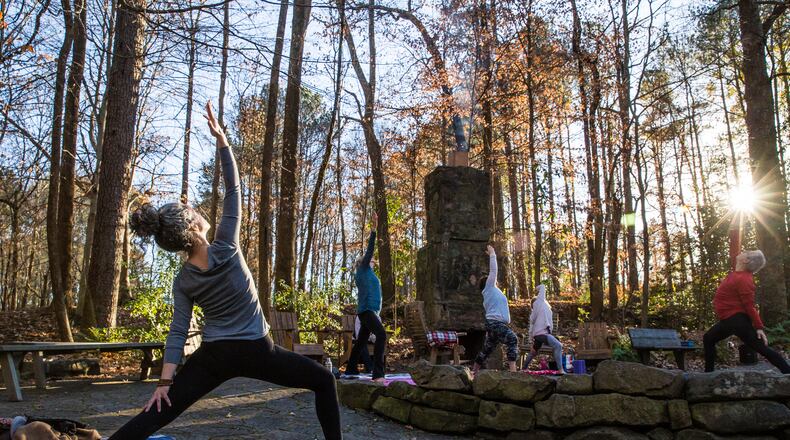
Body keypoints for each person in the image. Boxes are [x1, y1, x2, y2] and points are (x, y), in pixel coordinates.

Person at [110, 103, 342, 440]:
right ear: (192, 226)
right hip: (258, 351)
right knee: (324, 380)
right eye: (190, 209)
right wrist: (222, 141)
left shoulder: (183, 279)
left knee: (160, 410)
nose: (196, 209)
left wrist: (164, 382)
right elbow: (234, 190)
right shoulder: (227, 247)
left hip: (216, 355)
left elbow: (177, 333)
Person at [703, 228, 790, 374]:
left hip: (737, 320)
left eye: (746, 253)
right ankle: (708, 376)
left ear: (746, 260)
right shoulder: (737, 271)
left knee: (761, 348)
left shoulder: (745, 279)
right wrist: (734, 227)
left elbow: (750, 306)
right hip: (730, 320)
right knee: (708, 339)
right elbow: (734, 248)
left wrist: (759, 327)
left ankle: (787, 371)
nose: (742, 252)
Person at [345, 214, 387, 382]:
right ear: (364, 261)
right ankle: (378, 374)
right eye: (371, 260)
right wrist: (374, 230)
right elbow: (370, 250)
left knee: (361, 342)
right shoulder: (362, 269)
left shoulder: (368, 273)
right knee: (381, 335)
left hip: (370, 312)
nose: (373, 261)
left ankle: (350, 368)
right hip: (367, 311)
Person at [473, 245, 519, 374]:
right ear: (487, 282)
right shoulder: (489, 288)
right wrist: (492, 254)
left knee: (488, 348)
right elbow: (493, 271)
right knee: (512, 339)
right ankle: (513, 371)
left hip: (495, 323)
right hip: (495, 323)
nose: (492, 279)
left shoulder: (492, 292)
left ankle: (473, 371)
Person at [521, 284, 565, 374]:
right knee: (558, 345)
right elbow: (543, 287)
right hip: (542, 334)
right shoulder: (538, 303)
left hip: (539, 336)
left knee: (533, 352)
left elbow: (531, 329)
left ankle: (523, 368)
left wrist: (531, 341)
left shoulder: (536, 312)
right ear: (536, 303)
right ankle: (560, 370)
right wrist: (535, 289)